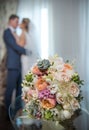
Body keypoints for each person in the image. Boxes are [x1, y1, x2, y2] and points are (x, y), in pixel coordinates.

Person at [3, 14, 30, 116]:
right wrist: (27, 51)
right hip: (12, 65)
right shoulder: (7, 33)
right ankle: (7, 113)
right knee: (10, 90)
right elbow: (15, 46)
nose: (17, 23)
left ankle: (17, 112)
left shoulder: (16, 33)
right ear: (10, 20)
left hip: (19, 65)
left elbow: (20, 43)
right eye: (16, 21)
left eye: (18, 21)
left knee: (19, 90)